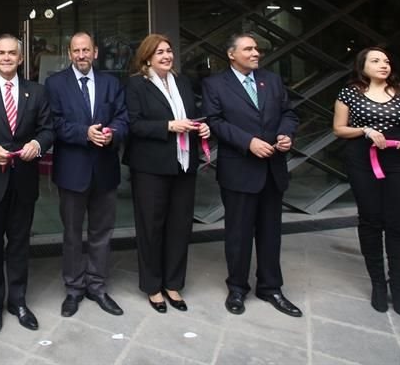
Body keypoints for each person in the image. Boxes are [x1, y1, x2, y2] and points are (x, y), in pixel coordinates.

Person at [201, 32, 302, 317]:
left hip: (272, 169)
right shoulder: (214, 84)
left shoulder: (271, 80)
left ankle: (271, 287)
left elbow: (289, 113)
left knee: (271, 233)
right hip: (239, 169)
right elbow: (214, 121)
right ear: (232, 54)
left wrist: (286, 134)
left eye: (257, 48)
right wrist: (248, 143)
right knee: (238, 234)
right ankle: (237, 288)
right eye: (248, 49)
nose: (256, 53)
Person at [0, 34, 54, 334]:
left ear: (21, 57)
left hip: (24, 181)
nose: (6, 57)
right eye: (0, 53)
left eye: (11, 53)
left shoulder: (37, 92)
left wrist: (37, 145)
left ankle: (17, 301)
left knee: (19, 244)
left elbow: (48, 130)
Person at [333, 46, 400, 316]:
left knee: (398, 223)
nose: (384, 64)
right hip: (363, 161)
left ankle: (398, 286)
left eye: (386, 60)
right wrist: (365, 130)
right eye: (375, 61)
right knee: (371, 220)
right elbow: (338, 128)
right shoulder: (349, 92)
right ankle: (377, 284)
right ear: (362, 67)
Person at [44, 31, 129, 317]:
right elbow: (53, 124)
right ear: (69, 54)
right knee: (71, 233)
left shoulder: (111, 83)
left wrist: (113, 134)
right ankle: (73, 288)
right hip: (72, 171)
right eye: (76, 50)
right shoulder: (55, 84)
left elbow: (123, 118)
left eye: (86, 50)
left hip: (105, 170)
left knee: (101, 233)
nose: (81, 55)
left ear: (95, 53)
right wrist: (84, 133)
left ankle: (97, 286)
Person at [124, 34, 210, 313]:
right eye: (159, 52)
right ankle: (153, 287)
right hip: (150, 167)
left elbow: (193, 115)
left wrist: (202, 129)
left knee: (180, 226)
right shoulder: (137, 85)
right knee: (151, 227)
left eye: (169, 51)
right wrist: (168, 126)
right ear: (147, 57)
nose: (166, 56)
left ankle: (173, 284)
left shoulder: (182, 82)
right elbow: (134, 125)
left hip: (183, 165)